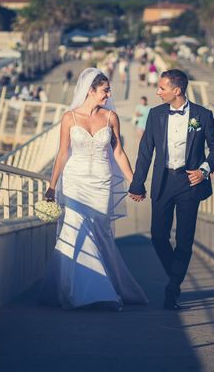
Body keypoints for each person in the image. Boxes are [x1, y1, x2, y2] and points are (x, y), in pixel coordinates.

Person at [39, 68, 148, 310]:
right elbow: (62, 153)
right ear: (90, 90)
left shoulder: (111, 118)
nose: (109, 95)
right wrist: (51, 186)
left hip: (101, 181)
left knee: (100, 233)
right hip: (75, 181)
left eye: (109, 90)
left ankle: (102, 287)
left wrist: (135, 181)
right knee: (74, 230)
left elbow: (118, 152)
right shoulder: (70, 118)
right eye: (105, 90)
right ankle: (81, 293)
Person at [129, 69, 214, 310]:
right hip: (163, 181)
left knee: (184, 239)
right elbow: (145, 151)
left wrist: (204, 170)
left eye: (162, 88)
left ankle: (172, 291)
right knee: (158, 236)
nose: (157, 91)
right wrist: (137, 184)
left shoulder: (202, 115)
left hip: (190, 182)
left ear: (176, 90)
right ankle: (176, 275)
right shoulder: (155, 114)